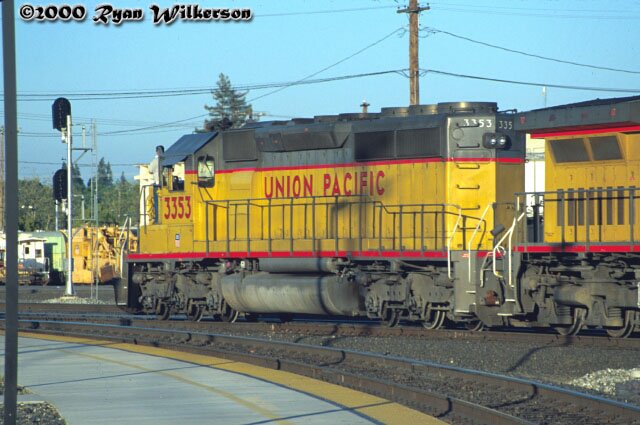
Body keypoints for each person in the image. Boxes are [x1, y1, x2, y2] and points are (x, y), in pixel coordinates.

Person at [147, 145, 164, 224]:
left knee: (157, 202)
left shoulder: (155, 161)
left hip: (158, 185)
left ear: (157, 152)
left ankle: (157, 218)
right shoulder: (167, 160)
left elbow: (150, 170)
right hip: (166, 184)